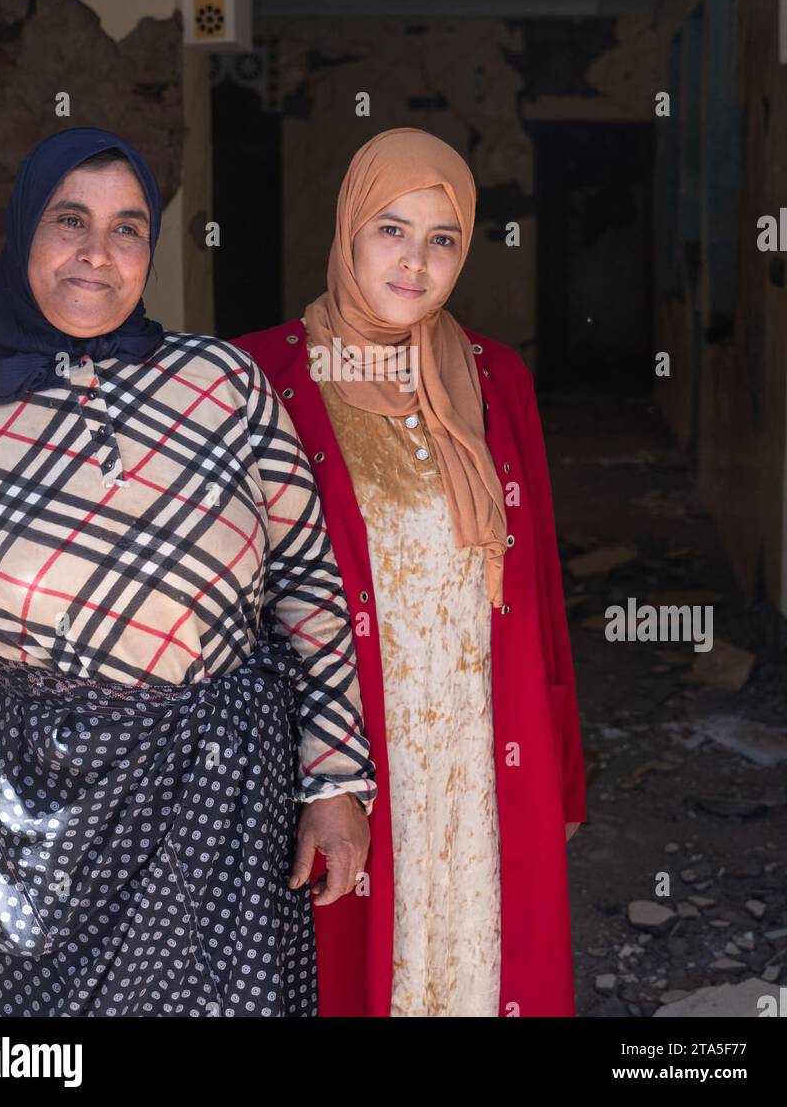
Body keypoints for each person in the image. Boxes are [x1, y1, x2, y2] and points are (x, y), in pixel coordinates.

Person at [0, 126, 374, 1018]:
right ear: (24, 233)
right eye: (70, 221)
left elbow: (307, 586)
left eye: (128, 227)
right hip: (38, 795)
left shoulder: (221, 382)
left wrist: (333, 781)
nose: (98, 253)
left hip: (226, 789)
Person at [234, 127, 587, 1018]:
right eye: (391, 230)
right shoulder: (257, 376)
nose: (415, 262)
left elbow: (538, 587)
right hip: (341, 750)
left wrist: (563, 766)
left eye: (443, 239)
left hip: (478, 743)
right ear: (349, 230)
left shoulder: (493, 378)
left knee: (480, 959)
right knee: (350, 973)